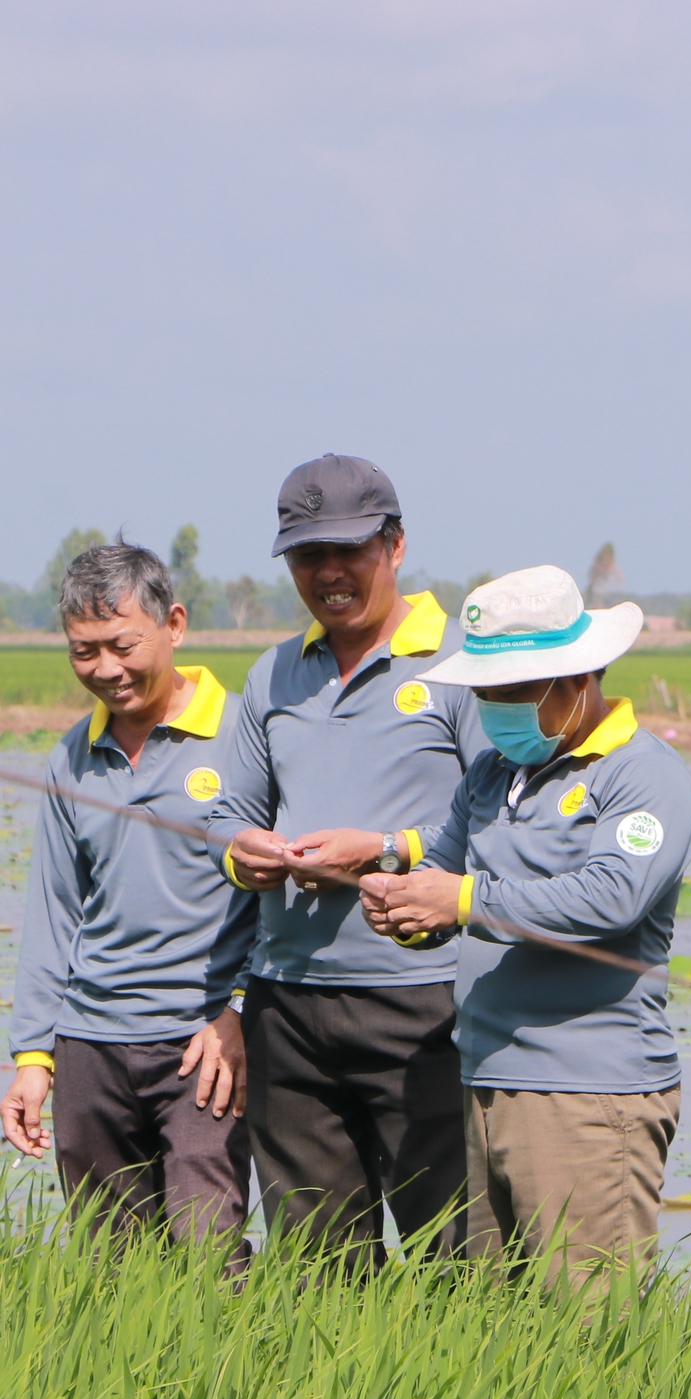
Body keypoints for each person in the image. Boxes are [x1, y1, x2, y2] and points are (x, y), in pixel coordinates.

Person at [358, 566, 691, 1285]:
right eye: (485, 692)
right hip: (484, 1077)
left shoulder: (641, 775)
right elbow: (447, 878)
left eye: (515, 691)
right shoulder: (488, 773)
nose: (494, 709)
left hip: (585, 1092)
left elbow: (611, 897)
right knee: (500, 1337)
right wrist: (403, 907)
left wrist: (458, 900)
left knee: (589, 1331)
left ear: (580, 678)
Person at [207, 454, 485, 1266]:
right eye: (306, 556)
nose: (328, 574)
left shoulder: (464, 666)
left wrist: (389, 849)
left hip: (424, 999)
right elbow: (231, 814)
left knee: (456, 1255)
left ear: (395, 547)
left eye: (349, 552)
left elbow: (500, 826)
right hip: (287, 1003)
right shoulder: (274, 673)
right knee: (316, 1265)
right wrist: (244, 855)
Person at [2, 543, 257, 1256]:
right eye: (84, 652)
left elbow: (285, 901)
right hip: (90, 1041)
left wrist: (239, 1009)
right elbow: (54, 916)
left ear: (173, 624)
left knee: (210, 1244)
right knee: (109, 1261)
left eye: (122, 645)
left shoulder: (246, 735)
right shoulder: (69, 758)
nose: (106, 670)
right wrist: (31, 1057)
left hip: (203, 1041)